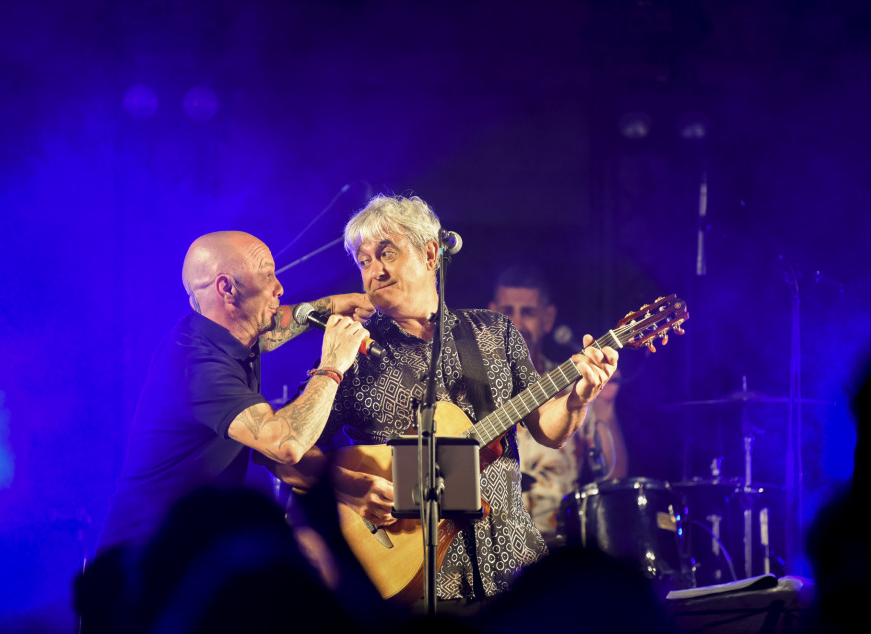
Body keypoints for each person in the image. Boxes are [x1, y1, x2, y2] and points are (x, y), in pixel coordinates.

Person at [271, 195, 618, 610]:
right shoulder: (350, 351)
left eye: (387, 254)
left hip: (511, 566)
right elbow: (281, 452)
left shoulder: (494, 331)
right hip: (413, 578)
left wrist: (578, 399)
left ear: (431, 252)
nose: (374, 271)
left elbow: (548, 429)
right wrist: (355, 485)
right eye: (364, 261)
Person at [96, 230, 374, 554]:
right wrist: (333, 363)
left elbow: (278, 326)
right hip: (143, 565)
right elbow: (286, 444)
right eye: (267, 275)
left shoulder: (233, 331)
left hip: (190, 551)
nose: (279, 288)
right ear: (227, 288)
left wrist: (338, 304)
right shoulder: (197, 365)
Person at [489, 265, 628, 546]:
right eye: (507, 312)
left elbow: (614, 476)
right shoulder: (471, 384)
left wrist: (606, 410)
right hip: (490, 547)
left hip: (559, 548)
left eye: (527, 313)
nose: (516, 324)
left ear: (548, 318)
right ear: (492, 315)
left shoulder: (575, 385)